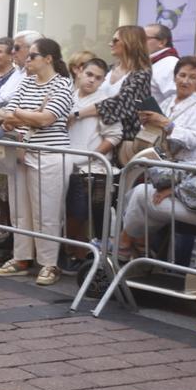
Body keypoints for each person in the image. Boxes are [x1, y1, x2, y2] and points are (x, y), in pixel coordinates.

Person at [0, 38, 75, 286]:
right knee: (20, 210)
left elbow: (46, 119)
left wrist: (16, 115)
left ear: (48, 59)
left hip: (50, 154)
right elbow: (1, 114)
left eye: (32, 56)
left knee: (46, 213)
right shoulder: (26, 82)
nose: (27, 60)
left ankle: (49, 263)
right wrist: (23, 116)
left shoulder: (62, 85)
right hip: (21, 152)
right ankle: (21, 258)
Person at [117, 56, 196, 259]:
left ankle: (126, 243)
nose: (185, 81)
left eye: (192, 77)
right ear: (174, 77)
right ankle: (140, 245)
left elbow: (193, 139)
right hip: (161, 170)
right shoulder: (167, 101)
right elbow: (154, 133)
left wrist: (167, 124)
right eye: (182, 75)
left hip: (185, 173)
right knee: (131, 196)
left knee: (139, 197)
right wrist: (147, 121)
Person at [62, 57, 121, 269]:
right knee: (62, 211)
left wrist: (93, 156)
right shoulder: (67, 97)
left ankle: (79, 252)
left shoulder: (106, 101)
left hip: (90, 168)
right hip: (61, 161)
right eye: (89, 75)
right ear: (79, 72)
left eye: (98, 78)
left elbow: (114, 136)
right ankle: (68, 250)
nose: (92, 81)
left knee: (79, 211)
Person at [76, 26, 154, 161]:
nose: (110, 43)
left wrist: (78, 114)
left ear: (130, 42)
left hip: (120, 141)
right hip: (93, 134)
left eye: (115, 40)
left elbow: (121, 103)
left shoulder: (142, 73)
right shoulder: (110, 69)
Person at [145, 23, 179, 105]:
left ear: (162, 42)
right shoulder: (151, 62)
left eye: (144, 38)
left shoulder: (170, 64)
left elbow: (174, 99)